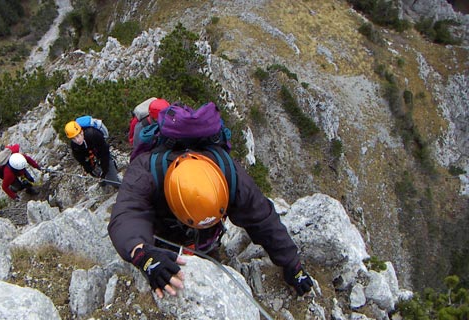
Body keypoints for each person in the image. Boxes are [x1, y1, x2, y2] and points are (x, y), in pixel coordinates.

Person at [107, 147, 314, 299]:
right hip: (166, 237)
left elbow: (263, 219)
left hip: (209, 239)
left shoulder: (228, 172)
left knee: (208, 248)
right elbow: (127, 214)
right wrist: (142, 253)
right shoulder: (146, 172)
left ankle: (207, 248)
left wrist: (292, 264)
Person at [65, 120, 120, 187]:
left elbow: (104, 153)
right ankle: (103, 182)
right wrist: (89, 169)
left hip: (101, 153)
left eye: (77, 136)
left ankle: (119, 185)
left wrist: (104, 170)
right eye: (73, 139)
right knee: (98, 174)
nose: (77, 140)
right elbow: (80, 158)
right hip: (92, 155)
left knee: (113, 180)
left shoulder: (94, 134)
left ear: (81, 132)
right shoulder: (74, 145)